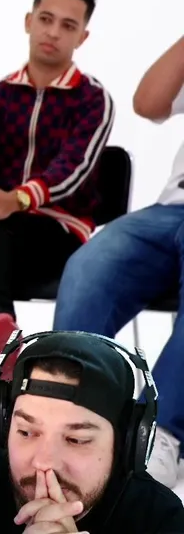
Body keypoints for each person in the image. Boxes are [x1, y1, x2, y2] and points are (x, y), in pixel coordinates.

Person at [0, 0, 112, 445]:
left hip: (58, 237)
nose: (53, 32)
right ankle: (1, 333)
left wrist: (16, 198)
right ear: (28, 21)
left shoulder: (92, 99)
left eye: (67, 25)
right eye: (45, 19)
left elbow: (72, 169)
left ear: (82, 36)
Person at [52, 31, 184, 487]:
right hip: (169, 211)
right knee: (91, 264)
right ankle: (73, 413)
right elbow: (148, 103)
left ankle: (160, 432)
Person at [0, 332, 184, 533]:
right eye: (26, 432)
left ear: (126, 442)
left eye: (76, 440)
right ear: (3, 427)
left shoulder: (160, 521)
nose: (44, 462)